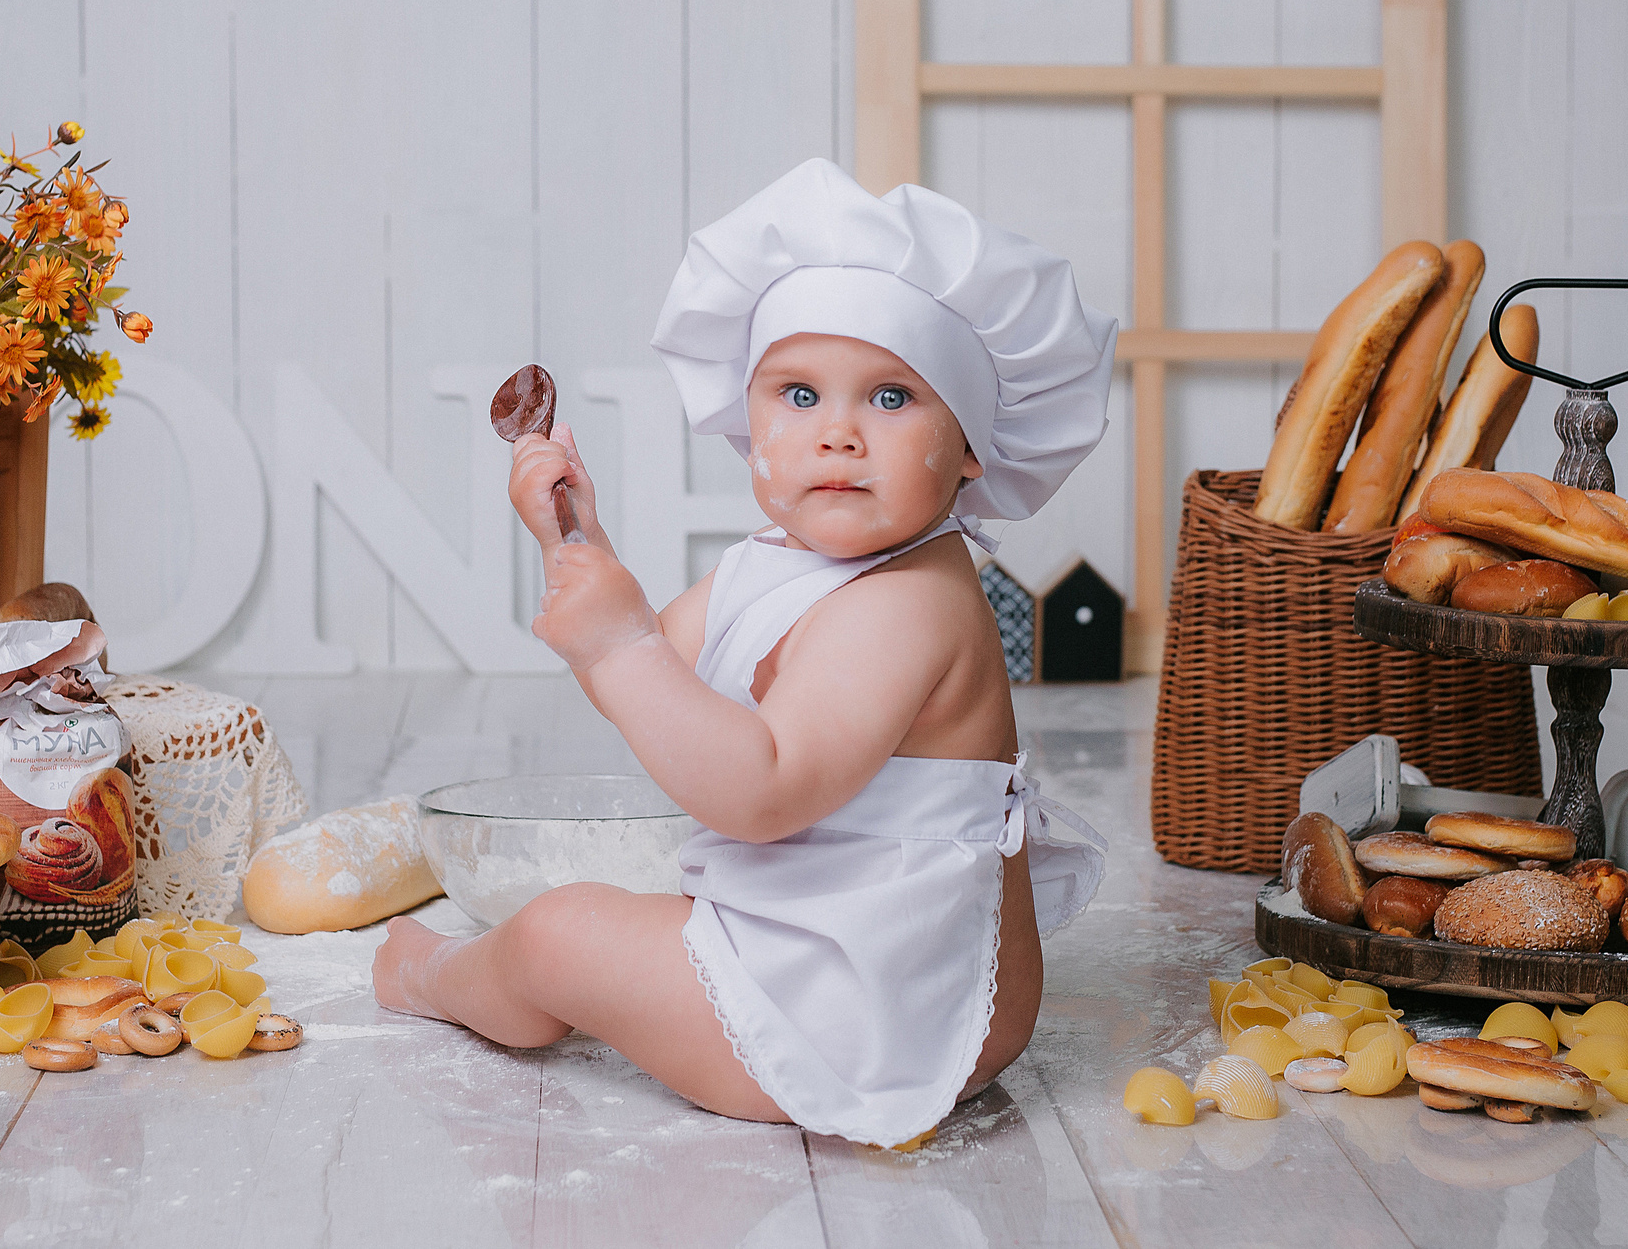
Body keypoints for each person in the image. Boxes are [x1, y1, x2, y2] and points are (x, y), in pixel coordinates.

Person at [375, 158, 1116, 1147]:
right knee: (609, 919)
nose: (839, 434)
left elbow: (758, 794)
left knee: (560, 931)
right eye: (799, 394)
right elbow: (656, 680)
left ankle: (442, 978)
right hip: (844, 963)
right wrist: (576, 548)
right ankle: (502, 968)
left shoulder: (915, 601)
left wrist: (618, 642)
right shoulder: (775, 563)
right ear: (750, 416)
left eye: (891, 399)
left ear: (973, 443)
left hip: (869, 1013)